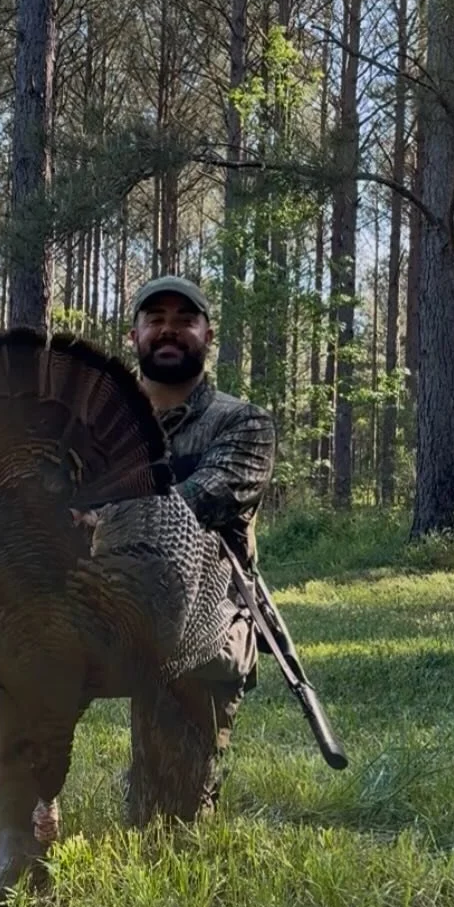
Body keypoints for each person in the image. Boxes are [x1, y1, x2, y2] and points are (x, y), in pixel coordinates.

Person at [122, 275, 277, 825]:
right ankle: (24, 825)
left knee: (166, 824)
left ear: (208, 334)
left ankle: (170, 792)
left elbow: (196, 505)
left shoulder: (242, 423)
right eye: (155, 319)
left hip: (199, 610)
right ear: (135, 334)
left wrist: (100, 512)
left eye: (184, 319)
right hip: (97, 595)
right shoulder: (97, 417)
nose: (169, 330)